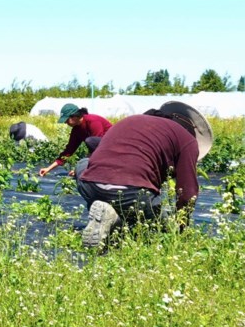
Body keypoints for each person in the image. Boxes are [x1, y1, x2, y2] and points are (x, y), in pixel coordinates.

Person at [76, 101, 212, 250]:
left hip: (90, 185)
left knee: (83, 162)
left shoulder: (130, 120)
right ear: (191, 129)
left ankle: (110, 213)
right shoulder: (187, 139)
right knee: (161, 227)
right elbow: (188, 193)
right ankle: (118, 216)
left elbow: (92, 142)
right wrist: (180, 229)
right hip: (133, 193)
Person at [38, 104, 112, 177]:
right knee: (89, 142)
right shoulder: (76, 130)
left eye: (67, 120)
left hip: (113, 146)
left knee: (90, 141)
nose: (65, 122)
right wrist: (48, 169)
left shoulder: (92, 121)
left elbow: (98, 148)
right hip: (102, 149)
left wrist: (81, 169)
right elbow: (68, 151)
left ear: (75, 116)